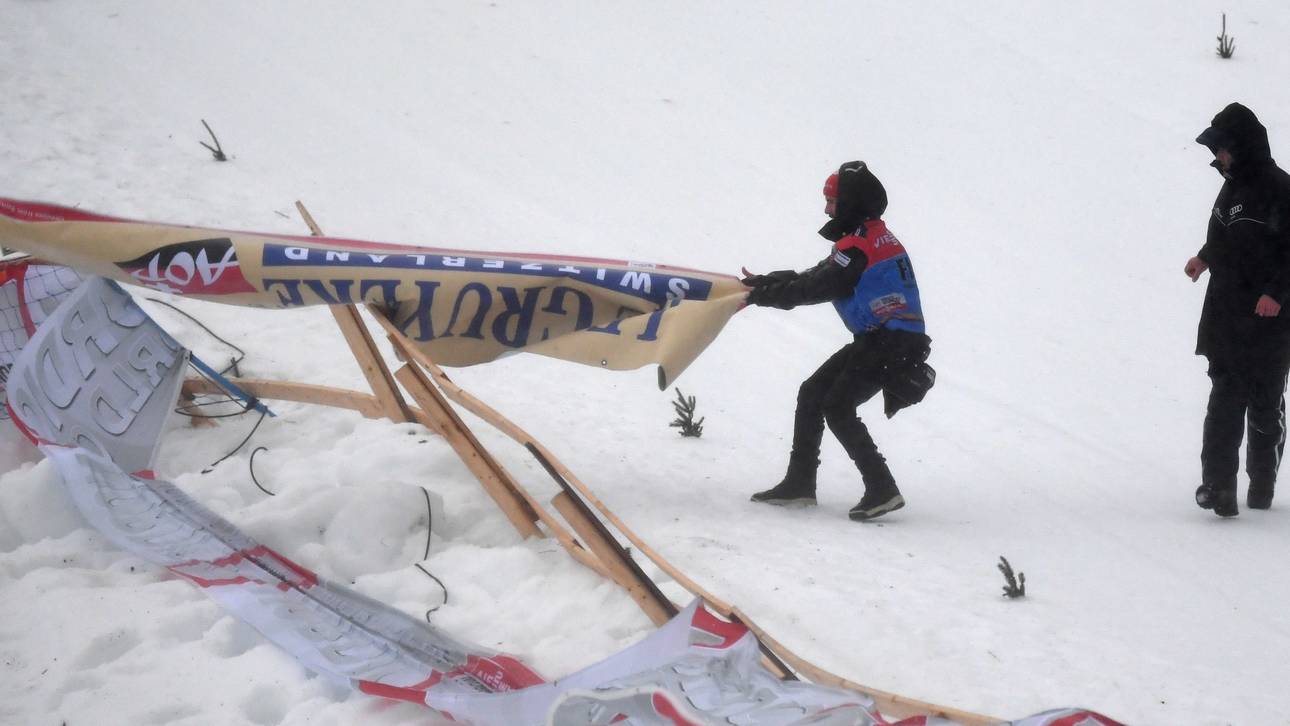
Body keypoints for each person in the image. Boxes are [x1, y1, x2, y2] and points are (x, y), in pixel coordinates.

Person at [743, 161, 933, 522]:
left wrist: (763, 296)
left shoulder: (860, 245)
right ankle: (800, 483)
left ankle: (882, 488)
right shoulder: (866, 236)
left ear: (852, 203)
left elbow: (820, 286)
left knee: (838, 405)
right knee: (813, 392)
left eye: (832, 202)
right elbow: (818, 273)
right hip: (884, 338)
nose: (828, 209)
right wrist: (768, 283)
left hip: (892, 341)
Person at [1186, 102, 1290, 517]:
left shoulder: (1280, 189)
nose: (1218, 157)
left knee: (1265, 403)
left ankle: (1261, 487)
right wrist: (1203, 257)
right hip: (1227, 314)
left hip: (1269, 319)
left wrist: (1277, 293)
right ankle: (1218, 488)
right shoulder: (1229, 190)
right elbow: (1224, 238)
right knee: (1224, 399)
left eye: (1223, 148)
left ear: (1242, 145)